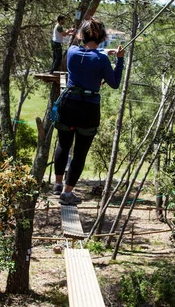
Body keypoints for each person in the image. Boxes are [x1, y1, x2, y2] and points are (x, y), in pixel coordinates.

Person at [53, 17, 125, 205]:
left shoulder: (72, 52)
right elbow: (115, 83)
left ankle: (58, 185)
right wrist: (119, 60)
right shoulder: (101, 59)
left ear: (80, 36)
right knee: (80, 152)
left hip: (68, 103)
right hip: (88, 108)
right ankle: (68, 194)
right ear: (101, 38)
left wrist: (103, 52)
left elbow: (87, 54)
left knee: (63, 144)